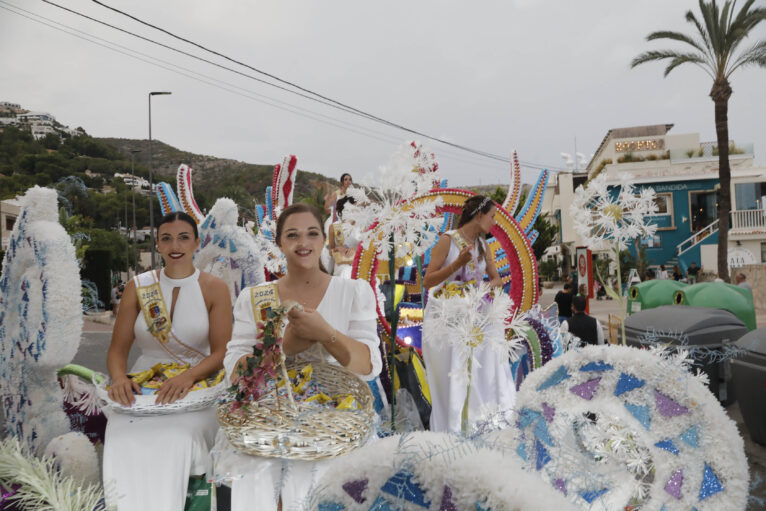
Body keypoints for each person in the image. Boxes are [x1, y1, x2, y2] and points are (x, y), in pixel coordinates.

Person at [217, 203, 382, 511]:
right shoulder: (255, 298)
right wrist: (286, 345)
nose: (303, 243)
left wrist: (325, 332)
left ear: (324, 241)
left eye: (312, 234)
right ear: (279, 242)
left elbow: (368, 366)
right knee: (260, 479)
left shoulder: (354, 293)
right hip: (265, 424)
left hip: (335, 427)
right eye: (292, 235)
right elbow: (236, 375)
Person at [103, 212, 233, 510]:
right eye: (166, 238)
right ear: (158, 244)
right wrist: (120, 379)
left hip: (198, 384)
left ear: (197, 243)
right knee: (121, 433)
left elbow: (220, 353)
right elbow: (117, 351)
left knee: (180, 436)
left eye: (184, 237)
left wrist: (188, 377)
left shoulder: (215, 288)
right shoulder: (138, 286)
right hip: (143, 386)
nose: (175, 245)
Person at [421, 195, 515, 433]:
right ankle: (456, 424)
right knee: (457, 371)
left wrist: (487, 288)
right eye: (492, 216)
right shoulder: (448, 241)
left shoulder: (484, 245)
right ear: (479, 215)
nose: (494, 222)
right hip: (449, 317)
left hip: (477, 313)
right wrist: (456, 265)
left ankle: (487, 421)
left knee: (489, 363)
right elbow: (427, 281)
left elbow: (496, 279)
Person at [328, 196, 361, 279]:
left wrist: (356, 249)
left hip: (357, 262)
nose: (358, 210)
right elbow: (330, 250)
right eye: (354, 207)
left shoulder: (361, 227)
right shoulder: (334, 227)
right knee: (344, 272)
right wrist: (337, 249)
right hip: (341, 262)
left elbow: (367, 247)